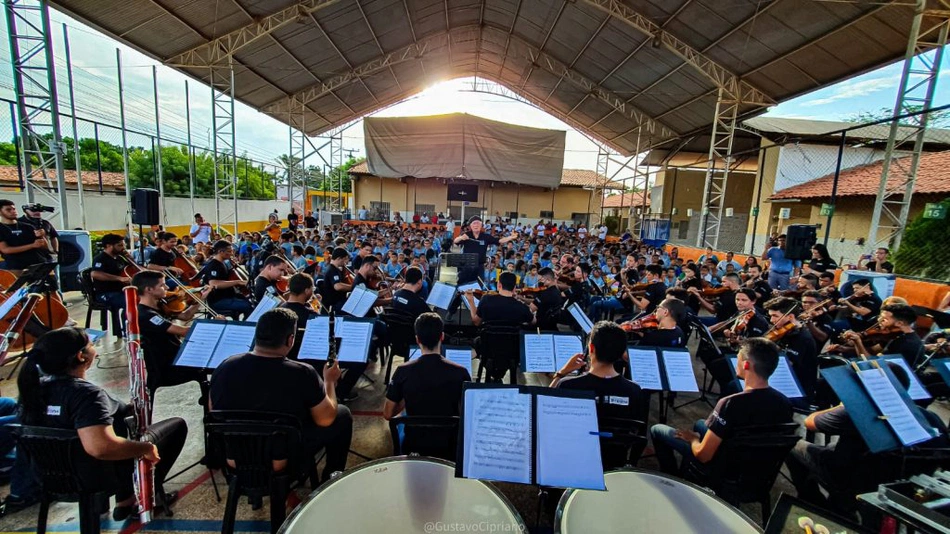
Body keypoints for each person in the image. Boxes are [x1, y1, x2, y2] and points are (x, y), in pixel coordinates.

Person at [17, 328, 187, 520]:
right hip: (91, 477)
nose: (94, 348)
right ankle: (138, 496)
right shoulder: (86, 395)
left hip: (48, 476)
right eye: (91, 344)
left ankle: (125, 500)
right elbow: (101, 447)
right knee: (175, 427)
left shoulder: (32, 389)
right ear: (81, 356)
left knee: (119, 427)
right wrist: (144, 448)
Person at [210, 308, 352, 481]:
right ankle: (331, 478)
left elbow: (214, 410)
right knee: (342, 414)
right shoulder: (302, 373)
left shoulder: (225, 366)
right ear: (290, 340)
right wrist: (329, 382)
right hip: (284, 462)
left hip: (236, 459)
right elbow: (326, 419)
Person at [786, 362, 946, 513]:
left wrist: (844, 404)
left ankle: (814, 501)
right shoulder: (931, 418)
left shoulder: (859, 412)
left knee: (790, 443)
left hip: (849, 476)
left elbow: (809, 422)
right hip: (903, 485)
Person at [650, 338, 793, 476]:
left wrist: (693, 440)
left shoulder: (730, 403)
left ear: (746, 365)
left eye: (738, 357)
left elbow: (703, 455)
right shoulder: (785, 403)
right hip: (756, 473)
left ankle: (674, 477)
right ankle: (687, 471)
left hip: (723, 470)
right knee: (700, 424)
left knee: (657, 430)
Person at [383, 313, 470, 459]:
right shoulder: (460, 372)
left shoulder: (402, 372)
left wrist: (406, 395)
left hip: (414, 443)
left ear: (417, 340)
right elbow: (466, 415)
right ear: (442, 337)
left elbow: (387, 414)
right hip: (450, 444)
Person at [280, 274, 365, 401]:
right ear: (306, 291)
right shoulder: (309, 315)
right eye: (312, 289)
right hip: (314, 359)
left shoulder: (282, 308)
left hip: (291, 357)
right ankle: (341, 392)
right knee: (361, 359)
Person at [132, 271, 211, 401]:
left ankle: (209, 400)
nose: (168, 288)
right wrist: (214, 326)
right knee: (217, 366)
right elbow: (183, 331)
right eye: (162, 285)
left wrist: (201, 299)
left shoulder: (160, 306)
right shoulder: (146, 315)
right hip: (168, 366)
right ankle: (212, 404)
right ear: (149, 289)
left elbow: (185, 316)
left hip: (176, 356)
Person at [764, 296, 818, 405]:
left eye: (775, 316)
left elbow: (788, 365)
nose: (771, 320)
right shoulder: (782, 332)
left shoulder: (803, 338)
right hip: (778, 381)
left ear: (790, 316)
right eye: (770, 316)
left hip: (796, 388)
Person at [839, 304, 924, 367]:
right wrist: (845, 349)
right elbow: (872, 350)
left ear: (899, 323)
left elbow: (872, 365)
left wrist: (858, 342)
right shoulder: (894, 335)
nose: (879, 321)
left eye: (884, 319)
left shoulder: (907, 344)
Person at [452, 215, 519, 284]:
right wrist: (461, 238)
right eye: (474, 223)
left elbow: (499, 241)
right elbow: (455, 241)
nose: (476, 225)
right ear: (470, 226)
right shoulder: (466, 235)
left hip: (479, 266)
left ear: (481, 225)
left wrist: (511, 237)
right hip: (467, 266)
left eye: (478, 223)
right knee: (462, 285)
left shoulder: (485, 236)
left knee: (478, 287)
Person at [199, 240, 252, 320]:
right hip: (218, 300)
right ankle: (244, 327)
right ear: (220, 251)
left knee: (251, 302)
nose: (231, 253)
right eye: (229, 251)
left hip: (229, 296)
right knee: (247, 306)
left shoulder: (223, 263)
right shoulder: (213, 265)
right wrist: (237, 282)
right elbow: (214, 283)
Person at [0, 199, 48, 271]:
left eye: (14, 209)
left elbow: (45, 246)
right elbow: (5, 249)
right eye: (8, 210)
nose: (13, 211)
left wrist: (42, 236)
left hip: (39, 263)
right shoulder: (1, 228)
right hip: (17, 266)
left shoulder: (28, 226)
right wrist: (32, 245)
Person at [91, 233, 133, 312]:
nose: (123, 248)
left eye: (124, 245)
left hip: (121, 290)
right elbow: (95, 273)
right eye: (120, 245)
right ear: (109, 246)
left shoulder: (120, 257)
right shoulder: (100, 258)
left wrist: (130, 259)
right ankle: (127, 323)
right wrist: (119, 278)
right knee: (130, 303)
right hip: (107, 293)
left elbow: (132, 269)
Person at [320, 247, 353, 312]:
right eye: (345, 259)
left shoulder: (337, 269)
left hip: (338, 302)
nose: (346, 262)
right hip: (334, 305)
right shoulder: (332, 270)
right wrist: (353, 287)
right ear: (339, 259)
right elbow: (338, 286)